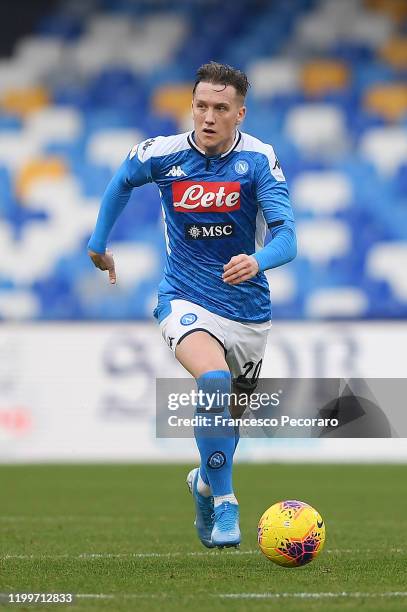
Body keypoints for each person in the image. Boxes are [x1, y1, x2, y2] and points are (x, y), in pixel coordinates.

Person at [88, 62, 297, 549]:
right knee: (213, 379)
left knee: (228, 424)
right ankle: (227, 504)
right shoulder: (163, 154)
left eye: (220, 108)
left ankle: (204, 484)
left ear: (239, 113)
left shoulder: (259, 160)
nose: (208, 116)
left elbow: (288, 238)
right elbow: (121, 179)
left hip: (247, 312)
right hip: (183, 296)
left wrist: (258, 260)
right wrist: (98, 244)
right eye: (201, 105)